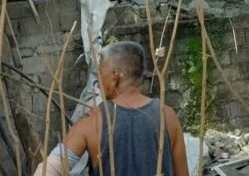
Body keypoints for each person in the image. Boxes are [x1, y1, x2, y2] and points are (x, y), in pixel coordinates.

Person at [33, 41, 189, 176]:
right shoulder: (168, 116)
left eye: (101, 73)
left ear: (115, 75)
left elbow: (52, 167)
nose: (99, 81)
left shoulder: (93, 121)